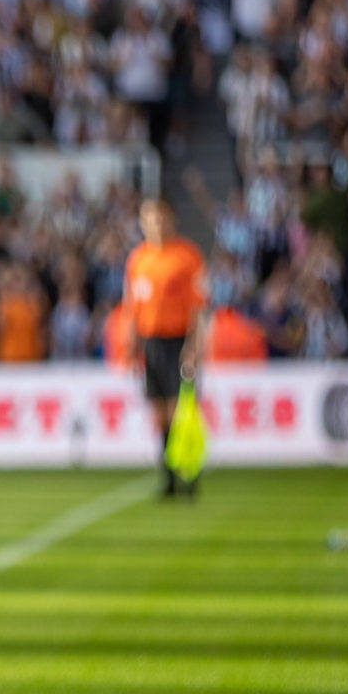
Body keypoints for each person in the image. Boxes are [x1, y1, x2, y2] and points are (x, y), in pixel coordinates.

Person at [124, 199, 208, 497]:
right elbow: (133, 307)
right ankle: (168, 478)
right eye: (149, 219)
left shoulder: (187, 256)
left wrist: (194, 346)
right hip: (151, 343)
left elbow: (198, 307)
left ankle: (189, 473)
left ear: (169, 220)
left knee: (180, 411)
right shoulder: (138, 260)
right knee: (160, 413)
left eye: (160, 218)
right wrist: (131, 343)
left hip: (178, 341)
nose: (155, 225)